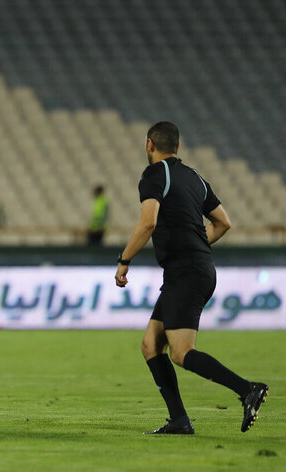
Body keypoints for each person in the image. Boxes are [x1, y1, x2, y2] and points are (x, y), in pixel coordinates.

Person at [114, 121, 268, 434]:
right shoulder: (195, 177)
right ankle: (180, 421)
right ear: (179, 147)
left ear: (149, 145)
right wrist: (195, 244)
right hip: (193, 269)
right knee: (150, 346)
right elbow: (223, 223)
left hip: (185, 272)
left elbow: (147, 223)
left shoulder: (155, 175)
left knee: (182, 353)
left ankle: (248, 389)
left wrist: (124, 260)